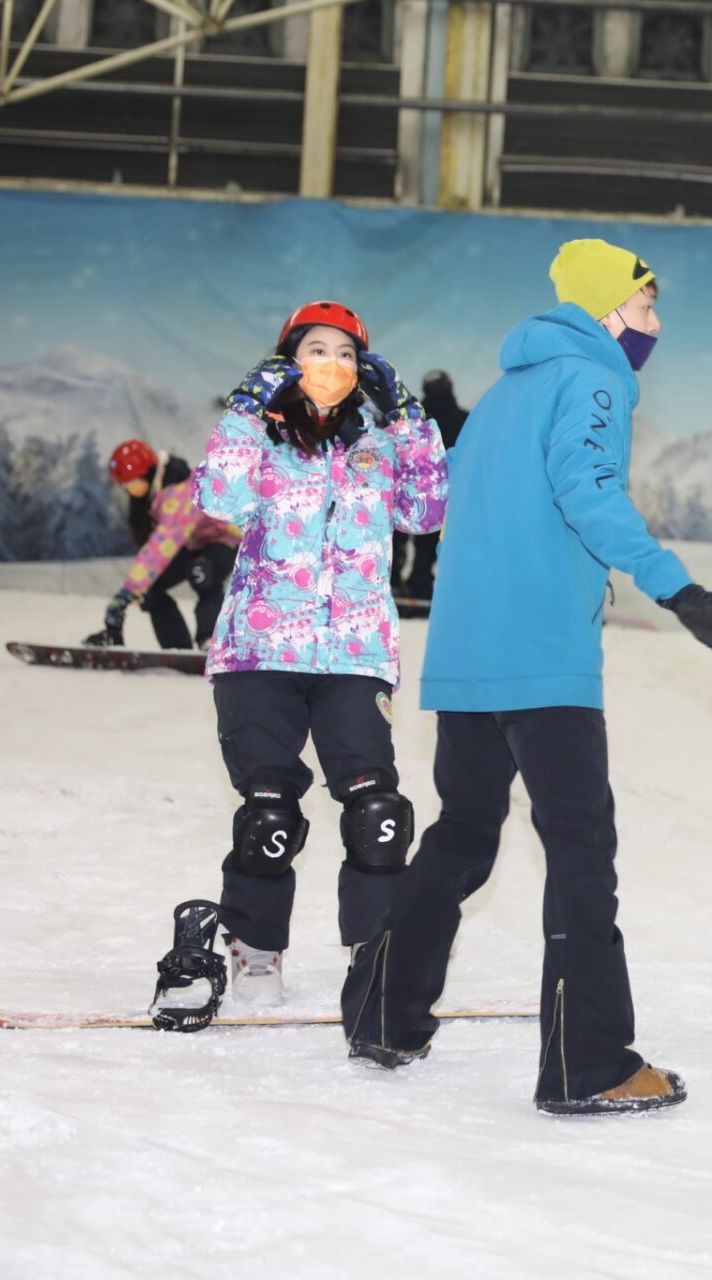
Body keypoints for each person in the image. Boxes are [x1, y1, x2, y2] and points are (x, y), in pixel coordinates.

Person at [375, 239, 712, 1115]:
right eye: (644, 307)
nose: (655, 325)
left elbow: (459, 514)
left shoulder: (500, 396)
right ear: (603, 313)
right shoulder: (589, 381)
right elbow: (588, 493)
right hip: (544, 661)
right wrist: (677, 586)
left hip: (469, 658)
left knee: (464, 835)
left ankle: (384, 1012)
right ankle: (588, 1063)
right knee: (581, 854)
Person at [172, 300, 448, 1066]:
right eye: (315, 349)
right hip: (260, 650)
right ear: (286, 361)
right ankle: (256, 950)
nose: (332, 364)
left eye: (346, 353)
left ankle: (377, 961)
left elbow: (428, 512)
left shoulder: (378, 446)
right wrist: (244, 411)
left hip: (354, 653)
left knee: (377, 811)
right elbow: (217, 501)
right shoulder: (260, 438)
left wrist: (409, 421)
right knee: (269, 813)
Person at [85, 439, 241, 650]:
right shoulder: (154, 497)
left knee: (202, 574)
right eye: (124, 485)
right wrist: (137, 590)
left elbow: (161, 546)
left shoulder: (179, 491)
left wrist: (126, 593)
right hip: (192, 544)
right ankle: (177, 648)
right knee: (150, 589)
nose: (128, 489)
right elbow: (156, 549)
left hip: (225, 540)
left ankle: (211, 641)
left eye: (131, 482)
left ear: (146, 473)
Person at [392, 370, 470, 604]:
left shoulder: (415, 421)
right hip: (447, 493)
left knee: (400, 539)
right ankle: (421, 585)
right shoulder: (465, 420)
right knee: (430, 543)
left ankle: (394, 582)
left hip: (411, 490)